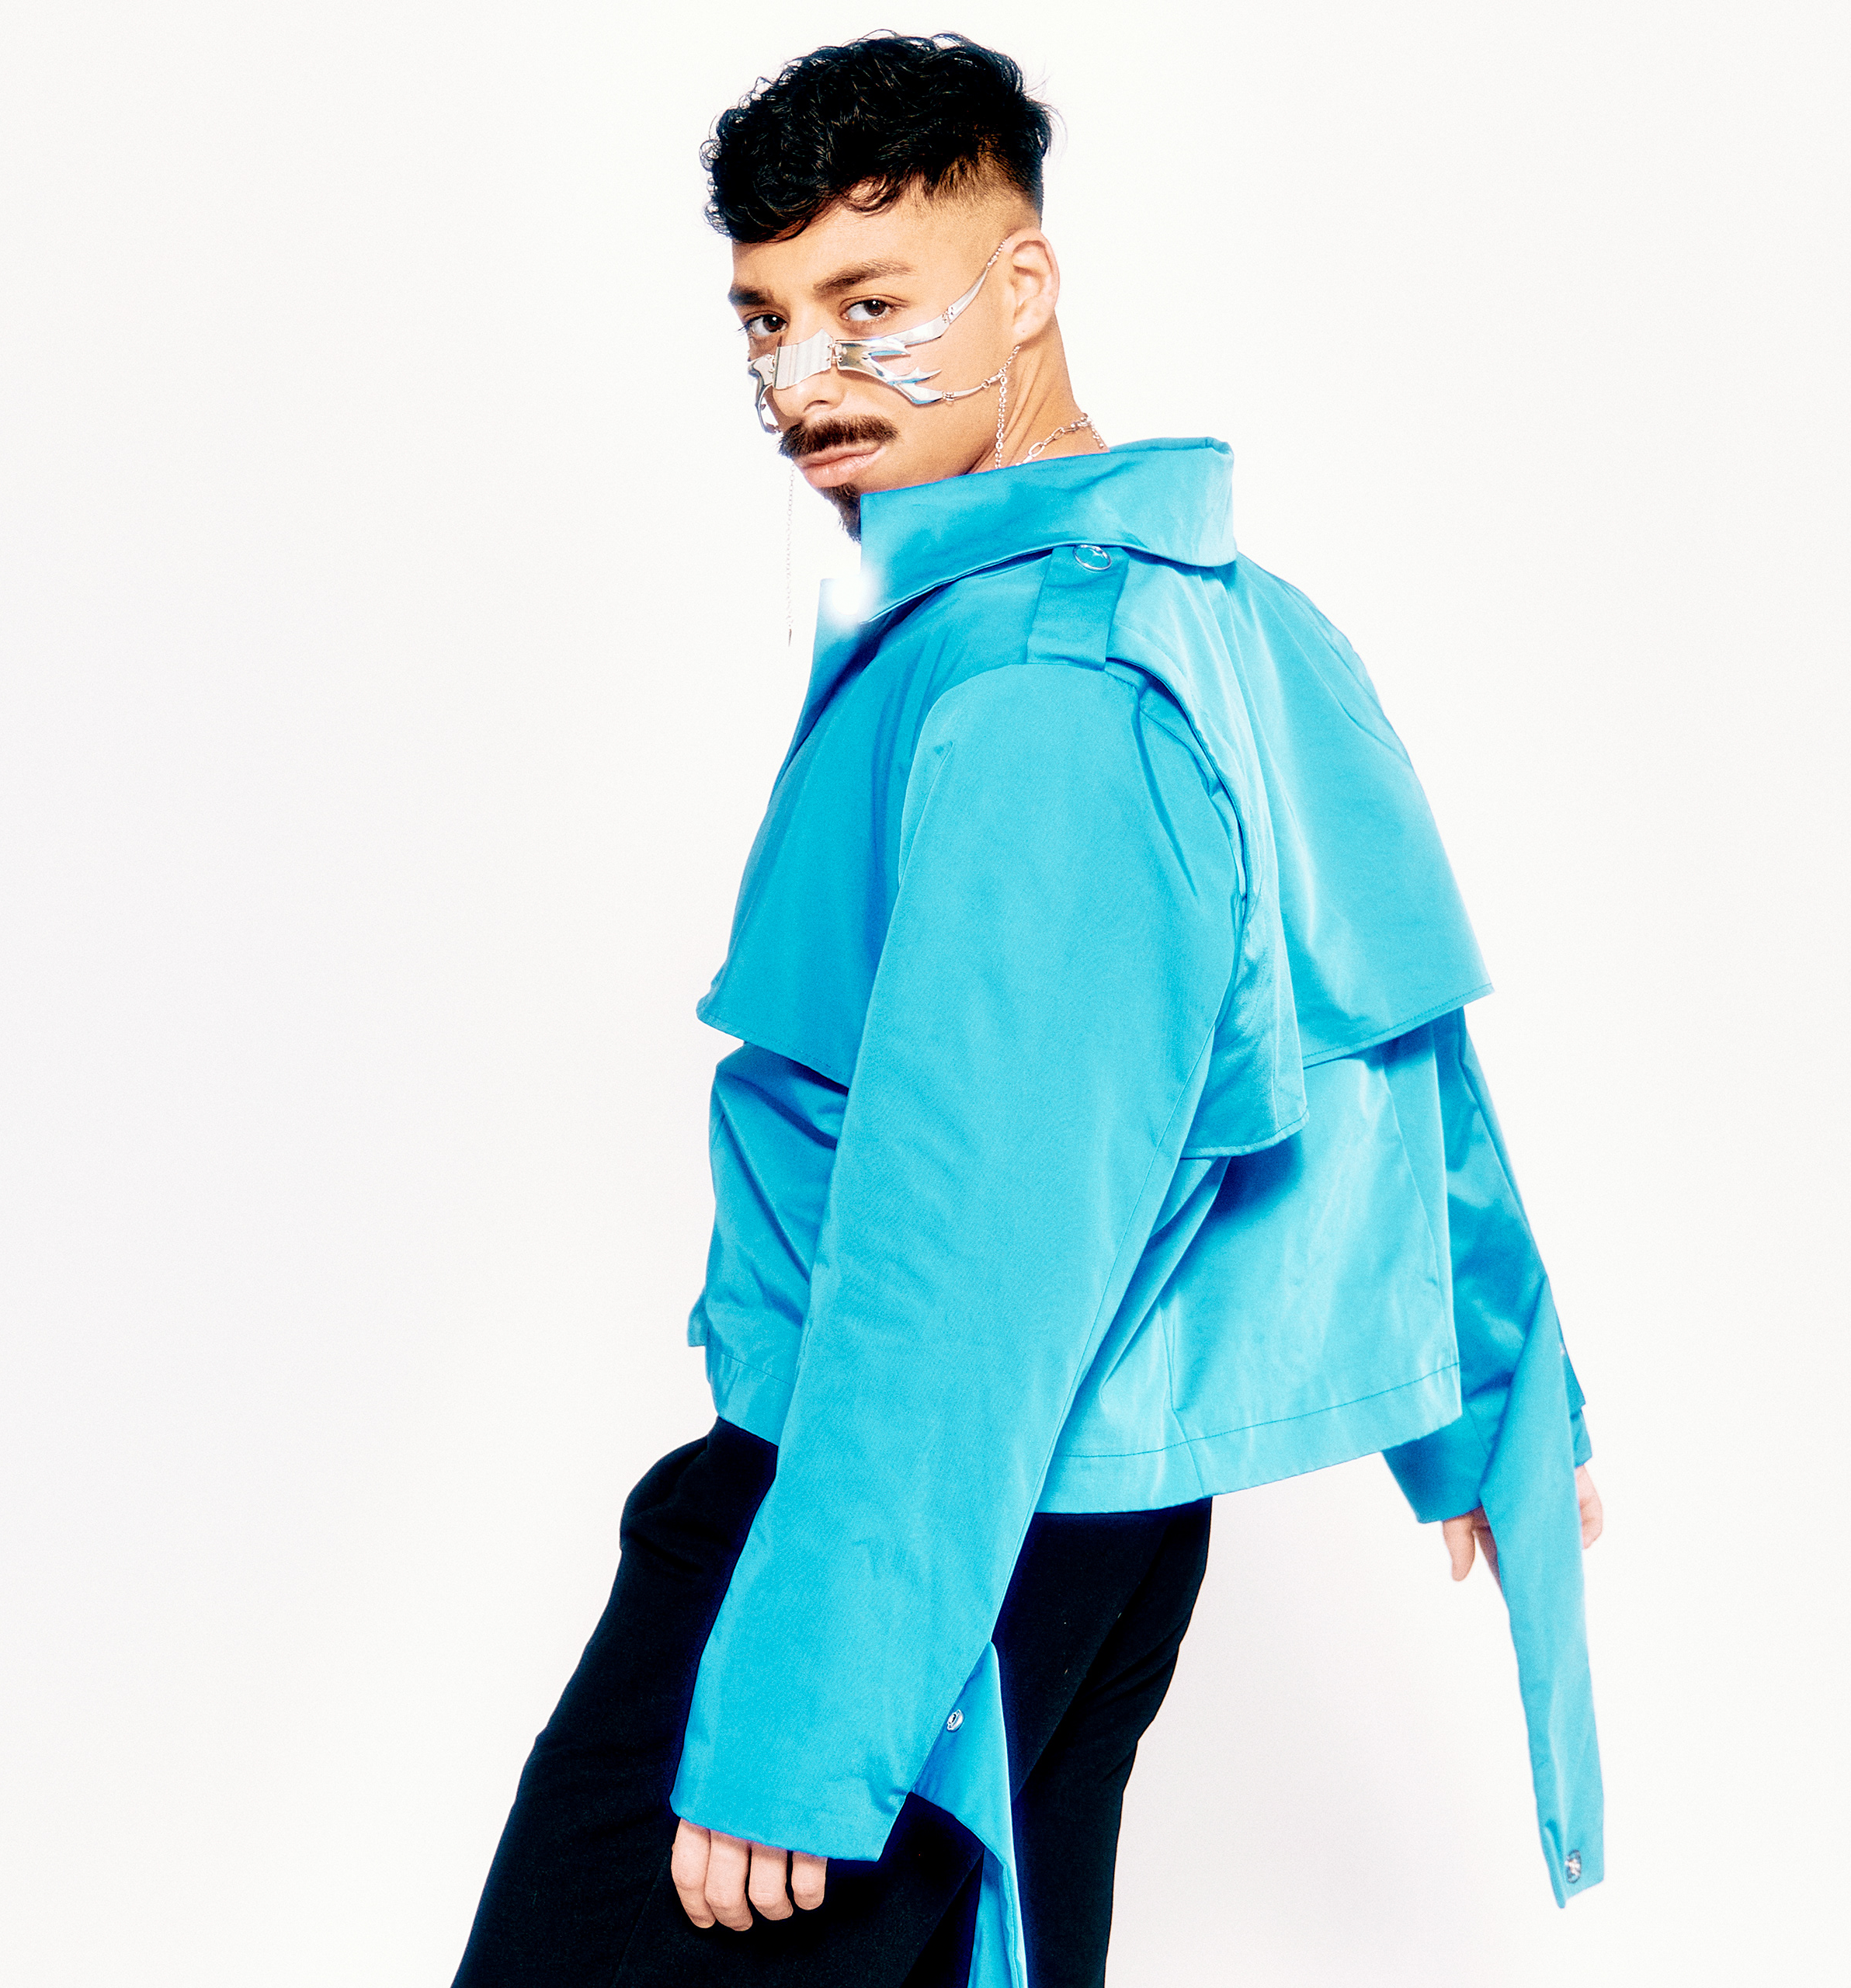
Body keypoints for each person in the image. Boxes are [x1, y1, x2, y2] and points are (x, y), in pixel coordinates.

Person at [454, 33, 1603, 1988]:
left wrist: (807, 1719)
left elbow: (960, 1250)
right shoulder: (1205, 603)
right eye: (766, 321)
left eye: (869, 305)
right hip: (1076, 1524)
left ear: (1027, 285)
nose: (804, 380)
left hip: (903, 1535)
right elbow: (1390, 1032)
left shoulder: (1048, 692)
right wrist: (1506, 1383)